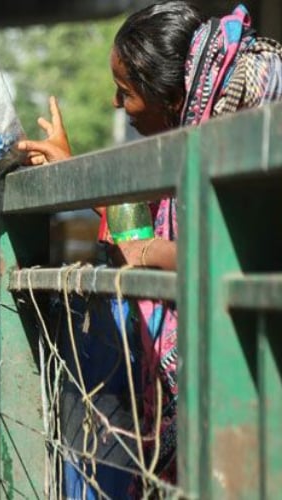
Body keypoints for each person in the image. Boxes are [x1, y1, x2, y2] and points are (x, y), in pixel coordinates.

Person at [17, 1, 282, 495]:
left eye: (126, 92)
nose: (118, 106)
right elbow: (144, 239)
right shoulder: (195, 140)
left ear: (171, 95)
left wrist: (156, 254)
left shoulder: (251, 124)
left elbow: (241, 257)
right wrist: (77, 175)